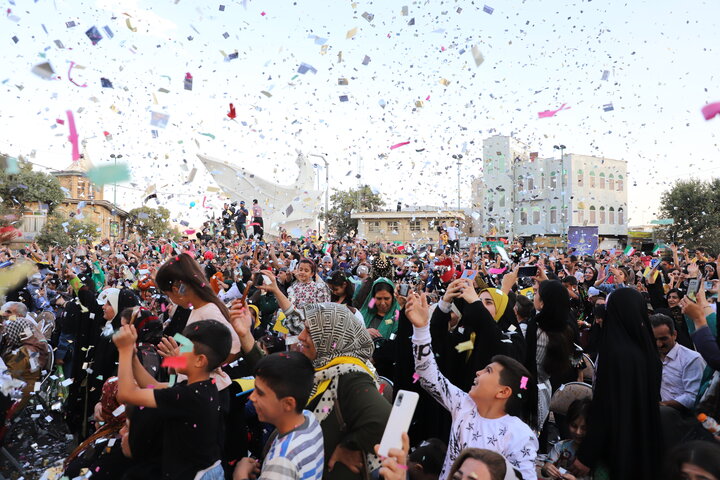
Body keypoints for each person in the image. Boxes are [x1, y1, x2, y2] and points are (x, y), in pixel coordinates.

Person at [405, 292, 539, 480]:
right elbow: (428, 375)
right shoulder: (463, 405)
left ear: (503, 391)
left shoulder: (518, 434)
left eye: (488, 371)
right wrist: (421, 329)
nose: (478, 373)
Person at [269, 293, 391, 480]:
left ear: (330, 335)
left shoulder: (350, 375)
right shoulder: (325, 369)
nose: (301, 337)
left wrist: (348, 446)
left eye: (310, 331)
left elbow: (384, 417)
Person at [113, 319, 232, 480]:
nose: (177, 351)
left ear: (200, 360)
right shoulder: (203, 388)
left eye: (183, 347)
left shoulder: (190, 397)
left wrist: (124, 350)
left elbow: (126, 394)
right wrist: (133, 357)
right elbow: (152, 385)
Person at [572, 288, 663, 479]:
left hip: (618, 441)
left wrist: (587, 454)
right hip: (644, 437)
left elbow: (605, 406)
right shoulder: (649, 351)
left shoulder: (614, 352)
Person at [233, 351, 324, 480]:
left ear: (288, 403)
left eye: (260, 393)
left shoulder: (282, 461)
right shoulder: (309, 418)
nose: (252, 397)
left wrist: (240, 475)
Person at [650, 313, 705, 411]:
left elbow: (692, 397)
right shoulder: (651, 357)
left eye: (663, 339)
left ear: (674, 334)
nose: (659, 344)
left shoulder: (691, 359)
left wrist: (662, 405)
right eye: (654, 340)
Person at [542, 398, 591, 480]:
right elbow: (545, 470)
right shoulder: (561, 446)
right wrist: (547, 468)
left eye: (584, 428)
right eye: (574, 426)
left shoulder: (595, 455)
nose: (578, 432)